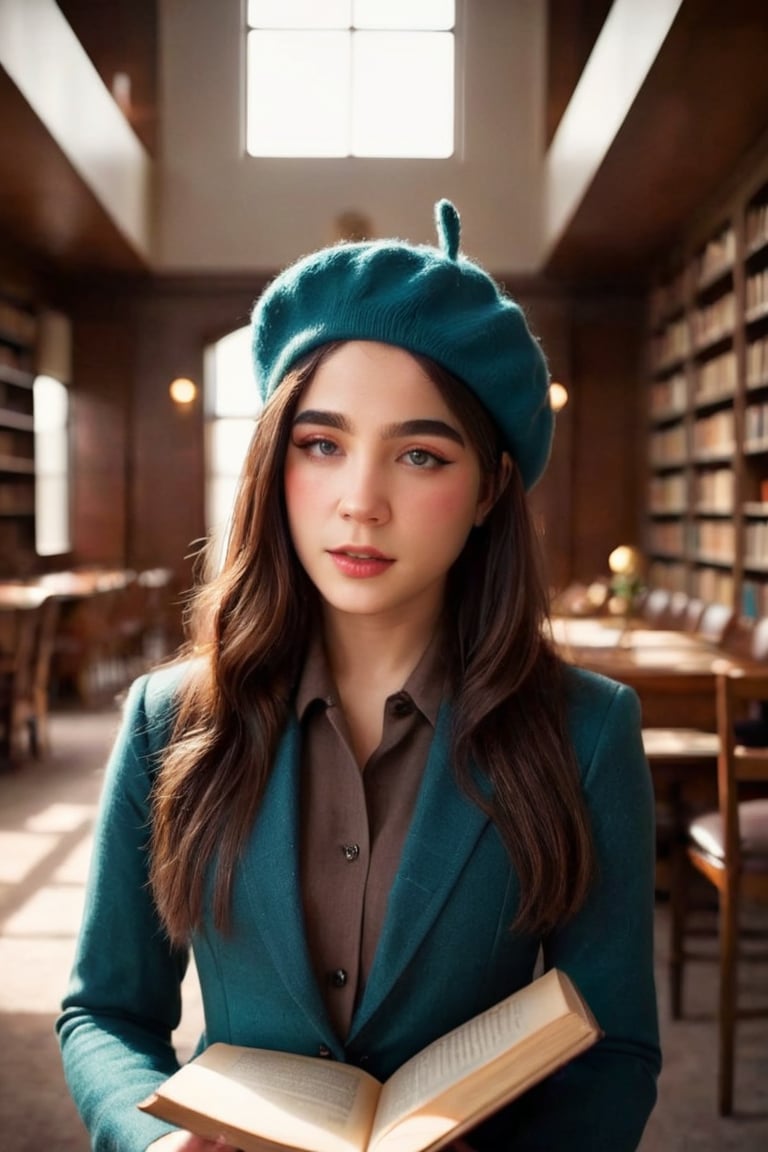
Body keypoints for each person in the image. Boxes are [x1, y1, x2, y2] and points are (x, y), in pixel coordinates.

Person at [57, 200, 661, 1152]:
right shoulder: (164, 720)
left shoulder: (586, 731)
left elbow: (617, 1049)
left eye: (420, 455)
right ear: (276, 464)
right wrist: (157, 1143)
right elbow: (104, 1015)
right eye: (322, 445)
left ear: (490, 490)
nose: (361, 503)